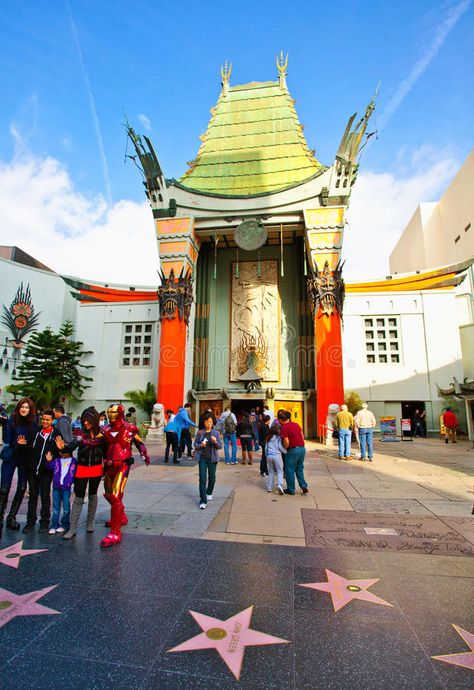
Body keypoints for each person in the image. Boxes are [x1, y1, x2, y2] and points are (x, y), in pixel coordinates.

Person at [100, 403, 150, 548]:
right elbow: (93, 442)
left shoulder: (130, 428)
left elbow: (139, 443)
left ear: (120, 414)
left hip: (123, 465)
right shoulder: (105, 430)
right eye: (110, 414)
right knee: (109, 494)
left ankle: (115, 533)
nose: (111, 416)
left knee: (115, 496)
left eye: (114, 414)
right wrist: (78, 441)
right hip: (109, 466)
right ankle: (120, 516)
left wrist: (144, 453)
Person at [60, 407, 106, 539]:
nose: (85, 423)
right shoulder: (81, 434)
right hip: (82, 467)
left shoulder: (101, 435)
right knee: (78, 497)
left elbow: (107, 450)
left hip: (96, 467)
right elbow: (71, 446)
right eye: (84, 420)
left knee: (93, 495)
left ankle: (90, 522)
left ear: (94, 420)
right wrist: (63, 447)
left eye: (88, 420)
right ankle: (73, 527)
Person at [0, 398, 38, 533]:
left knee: (22, 487)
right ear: (18, 407)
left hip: (24, 458)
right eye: (22, 406)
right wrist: (5, 426)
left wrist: (25, 445)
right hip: (11, 456)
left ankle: (11, 517)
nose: (24, 409)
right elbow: (6, 440)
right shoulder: (11, 421)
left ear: (30, 410)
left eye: (27, 407)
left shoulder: (33, 424)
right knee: (4, 489)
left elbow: (32, 443)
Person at [23, 409, 61, 533]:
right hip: (33, 470)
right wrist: (22, 445)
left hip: (46, 471)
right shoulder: (35, 431)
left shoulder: (56, 434)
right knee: (33, 496)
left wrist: (52, 458)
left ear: (52, 420)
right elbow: (28, 447)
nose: (44, 421)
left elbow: (61, 451)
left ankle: (45, 523)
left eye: (47, 420)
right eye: (43, 419)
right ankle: (30, 522)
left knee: (45, 496)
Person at [194, 412, 222, 509]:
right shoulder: (200, 433)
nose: (208, 424)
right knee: (202, 479)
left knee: (212, 478)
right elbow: (195, 445)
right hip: (202, 459)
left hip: (212, 459)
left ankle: (209, 491)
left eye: (210, 422)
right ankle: (203, 500)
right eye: (206, 422)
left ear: (213, 422)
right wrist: (201, 445)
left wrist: (215, 442)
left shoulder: (216, 433)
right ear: (204, 422)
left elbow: (220, 446)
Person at [46, 447, 76, 534]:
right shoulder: (57, 460)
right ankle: (54, 525)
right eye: (61, 452)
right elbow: (50, 467)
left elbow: (74, 473)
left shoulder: (73, 461)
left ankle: (65, 524)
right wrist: (48, 461)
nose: (62, 454)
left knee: (66, 507)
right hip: (56, 486)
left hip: (66, 487)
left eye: (64, 452)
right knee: (56, 507)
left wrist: (71, 483)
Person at [278, 410, 308, 495]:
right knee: (299, 468)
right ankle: (303, 486)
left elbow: (286, 441)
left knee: (289, 469)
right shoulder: (296, 424)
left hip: (293, 450)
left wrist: (285, 448)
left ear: (281, 419)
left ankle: (291, 489)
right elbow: (302, 436)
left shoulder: (284, 427)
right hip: (302, 448)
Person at [265, 425, 286, 495]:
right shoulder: (278, 438)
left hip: (269, 456)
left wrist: (266, 455)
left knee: (271, 472)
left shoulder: (268, 438)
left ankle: (269, 487)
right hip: (277, 456)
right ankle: (279, 485)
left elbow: (266, 448)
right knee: (280, 471)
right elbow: (280, 447)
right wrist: (286, 452)